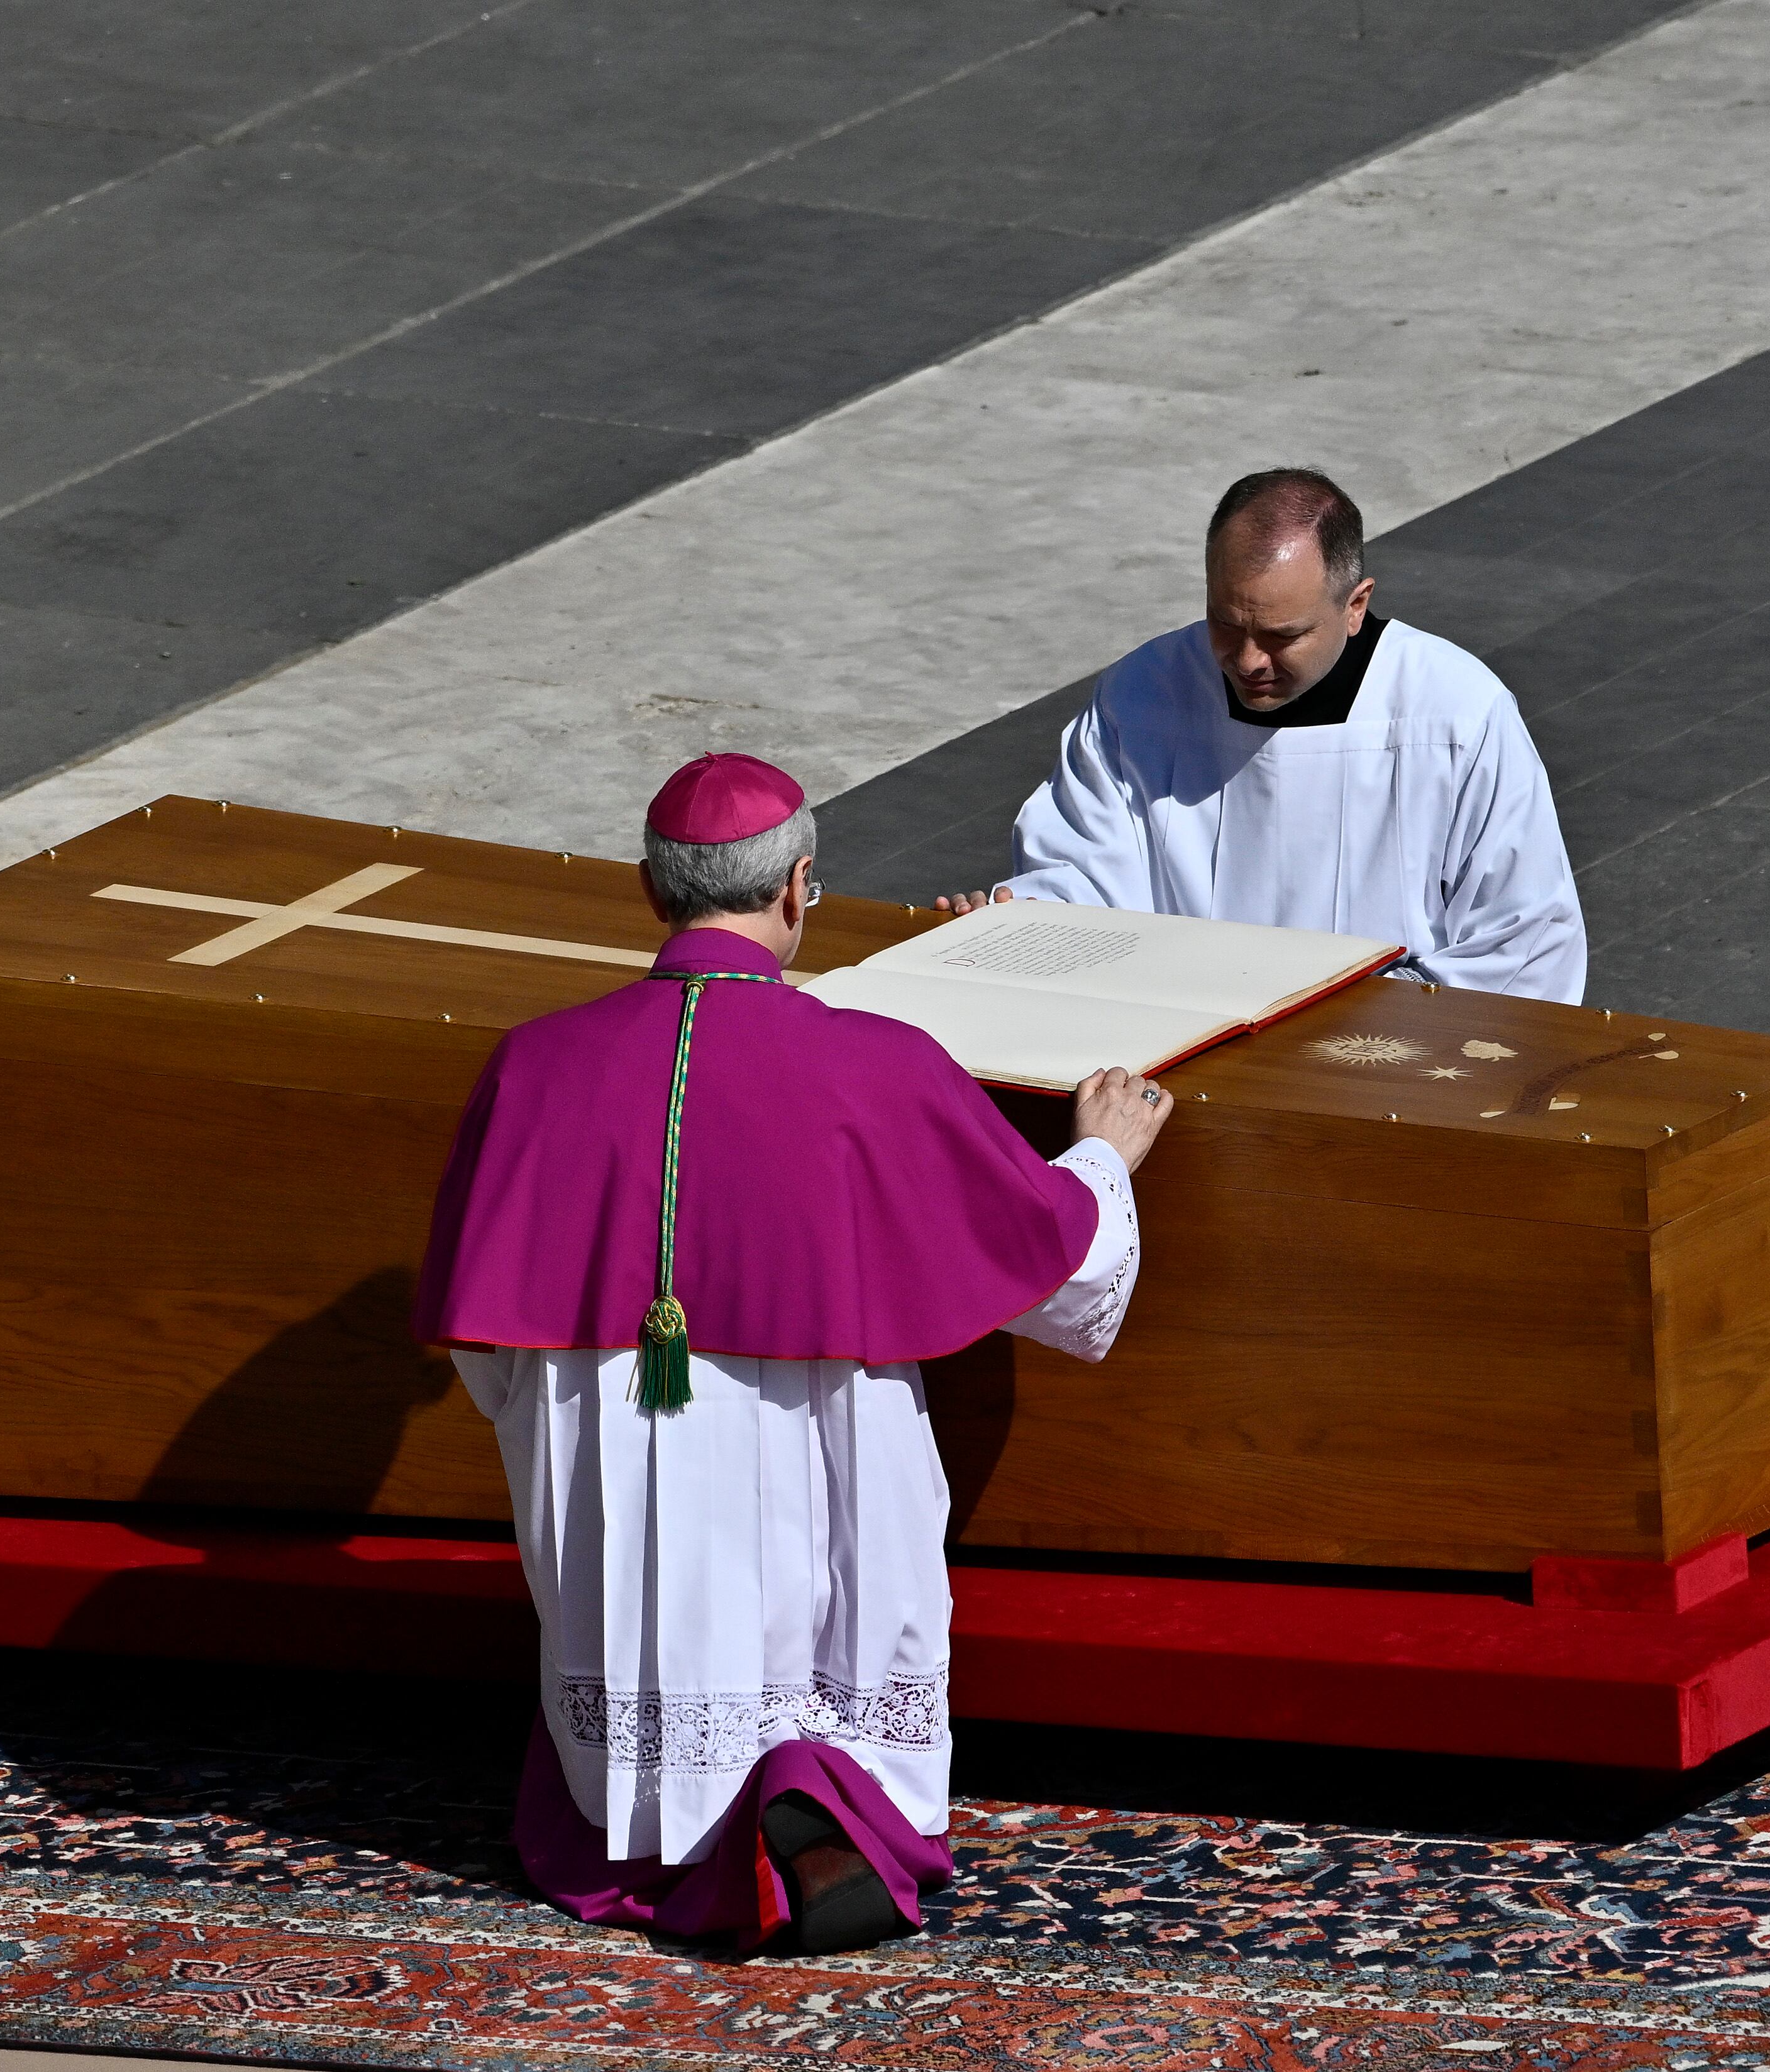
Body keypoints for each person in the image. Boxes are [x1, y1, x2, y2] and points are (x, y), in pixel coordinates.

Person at [415, 752, 1170, 1953]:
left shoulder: (534, 1067)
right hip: (818, 1443)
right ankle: (817, 1806)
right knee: (823, 1609)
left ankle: (659, 1819)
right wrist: (1100, 1159)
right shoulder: (877, 1066)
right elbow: (1048, 1259)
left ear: (649, 889)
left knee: (645, 1613)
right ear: (799, 887)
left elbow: (487, 1346)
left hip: (620, 1451)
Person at [941, 468, 1586, 1001]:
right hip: (1177, 1044)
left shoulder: (1455, 714)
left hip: (1383, 1064)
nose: (1249, 660)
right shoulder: (1142, 696)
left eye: (1283, 636)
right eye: (1226, 623)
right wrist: (1019, 920)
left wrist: (1350, 1028)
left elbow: (1520, 939)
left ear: (1355, 605)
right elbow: (1084, 875)